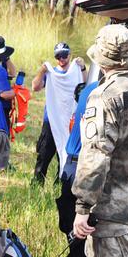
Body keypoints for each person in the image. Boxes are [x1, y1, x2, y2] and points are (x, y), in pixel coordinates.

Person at [72, 24, 128, 257]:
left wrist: (82, 208)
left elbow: (95, 155)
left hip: (112, 215)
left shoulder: (104, 97)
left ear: (101, 60)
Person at [55, 80, 98, 257]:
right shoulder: (112, 92)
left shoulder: (91, 87)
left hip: (73, 166)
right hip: (88, 166)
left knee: (76, 238)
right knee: (84, 239)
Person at [31, 42, 86, 184]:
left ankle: (60, 182)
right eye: (58, 56)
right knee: (44, 154)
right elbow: (35, 87)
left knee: (67, 153)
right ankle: (37, 182)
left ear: (70, 54)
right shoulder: (51, 72)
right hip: (51, 120)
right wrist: (42, 71)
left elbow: (86, 86)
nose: (61, 59)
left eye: (64, 55)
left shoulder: (77, 70)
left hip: (70, 122)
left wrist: (84, 68)